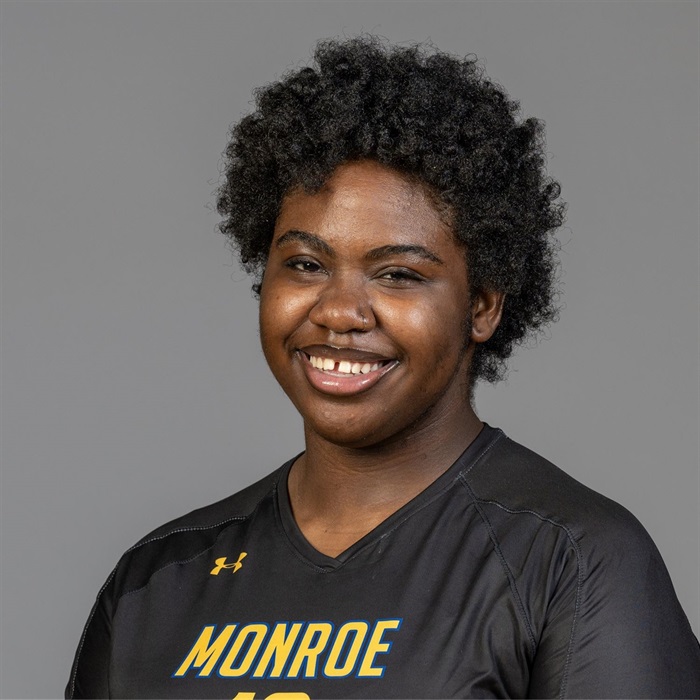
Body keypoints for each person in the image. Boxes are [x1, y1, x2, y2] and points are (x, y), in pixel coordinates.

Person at [66, 36, 700, 699]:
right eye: (305, 264)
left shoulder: (571, 560)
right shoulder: (156, 581)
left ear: (482, 305)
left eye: (398, 274)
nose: (340, 311)